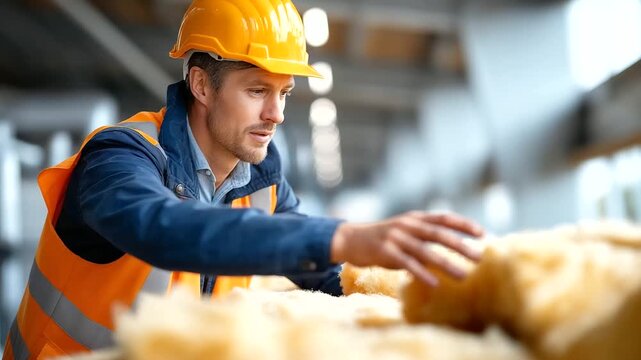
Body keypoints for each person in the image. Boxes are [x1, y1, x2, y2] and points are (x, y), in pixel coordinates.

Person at [3, 0, 484, 358]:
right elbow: (164, 227)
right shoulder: (119, 157)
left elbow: (323, 272)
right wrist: (344, 234)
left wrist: (429, 302)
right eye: (257, 90)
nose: (275, 115)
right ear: (200, 85)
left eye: (284, 93)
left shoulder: (263, 180)